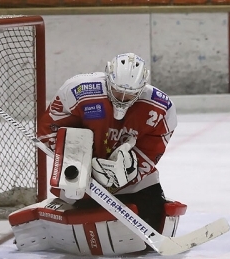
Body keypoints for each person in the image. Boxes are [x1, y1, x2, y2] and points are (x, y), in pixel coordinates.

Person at [36, 52, 176, 237]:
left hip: (127, 175)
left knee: (153, 218)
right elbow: (48, 132)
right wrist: (81, 163)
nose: (123, 98)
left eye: (131, 94)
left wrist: (132, 172)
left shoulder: (161, 107)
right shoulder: (78, 91)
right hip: (84, 179)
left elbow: (153, 146)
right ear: (108, 79)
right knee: (88, 219)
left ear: (142, 88)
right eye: (118, 91)